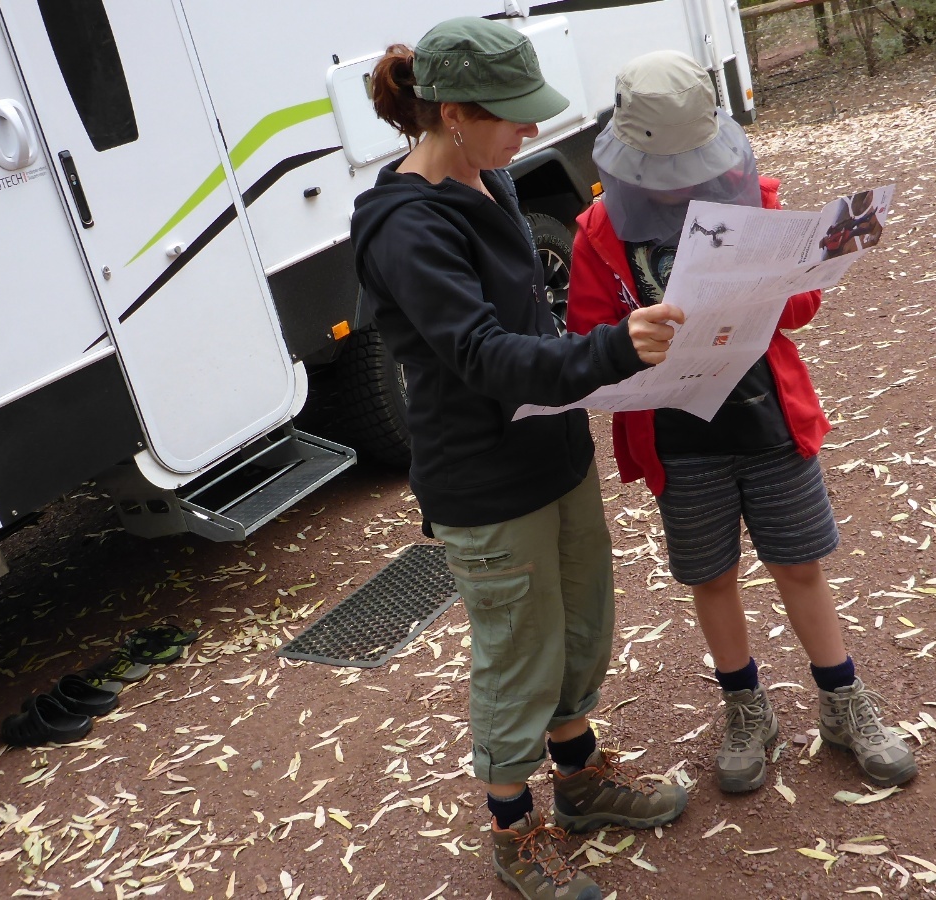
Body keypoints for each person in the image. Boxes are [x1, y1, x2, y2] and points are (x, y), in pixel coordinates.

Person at [348, 19, 690, 900]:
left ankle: (580, 782)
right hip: (485, 480)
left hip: (553, 450)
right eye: (513, 114)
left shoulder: (491, 177)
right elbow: (484, 354)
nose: (532, 130)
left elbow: (534, 320)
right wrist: (612, 350)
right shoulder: (405, 226)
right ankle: (513, 829)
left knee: (580, 627)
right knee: (516, 655)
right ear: (454, 114)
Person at [566, 51, 917, 797]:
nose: (680, 182)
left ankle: (843, 700)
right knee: (712, 576)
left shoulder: (751, 196)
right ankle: (745, 707)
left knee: (800, 564)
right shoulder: (598, 230)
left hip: (766, 420)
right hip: (677, 437)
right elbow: (588, 333)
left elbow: (803, 306)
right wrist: (632, 337)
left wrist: (772, 287)